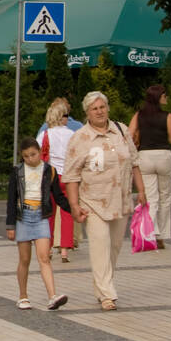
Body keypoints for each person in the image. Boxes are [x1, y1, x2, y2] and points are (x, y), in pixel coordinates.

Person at [64, 91, 147, 311]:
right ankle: (107, 295)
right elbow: (71, 176)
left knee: (114, 247)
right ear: (87, 113)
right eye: (94, 109)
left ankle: (101, 286)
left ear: (107, 108)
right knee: (100, 245)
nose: (99, 112)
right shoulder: (80, 138)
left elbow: (135, 161)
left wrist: (141, 190)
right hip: (92, 202)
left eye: (102, 107)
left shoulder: (121, 131)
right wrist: (74, 205)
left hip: (120, 200)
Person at [5, 137, 70, 311]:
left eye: (33, 155)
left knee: (44, 257)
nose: (30, 159)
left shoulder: (50, 171)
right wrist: (10, 226)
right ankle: (23, 296)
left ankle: (52, 296)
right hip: (23, 217)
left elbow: (59, 197)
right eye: (26, 156)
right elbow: (11, 200)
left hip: (41, 217)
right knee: (24, 259)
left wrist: (74, 209)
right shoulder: (17, 171)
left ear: (40, 152)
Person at [128, 84, 171, 250]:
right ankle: (163, 235)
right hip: (164, 155)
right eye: (164, 95)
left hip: (145, 156)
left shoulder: (139, 115)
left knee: (150, 198)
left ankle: (150, 234)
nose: (166, 98)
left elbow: (128, 134)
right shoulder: (167, 116)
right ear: (158, 97)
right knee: (165, 196)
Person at [38, 98, 78, 262]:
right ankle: (64, 250)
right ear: (61, 116)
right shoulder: (72, 134)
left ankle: (48, 249)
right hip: (68, 177)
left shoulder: (45, 134)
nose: (68, 118)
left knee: (50, 214)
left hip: (51, 176)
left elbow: (38, 156)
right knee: (68, 212)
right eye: (66, 115)